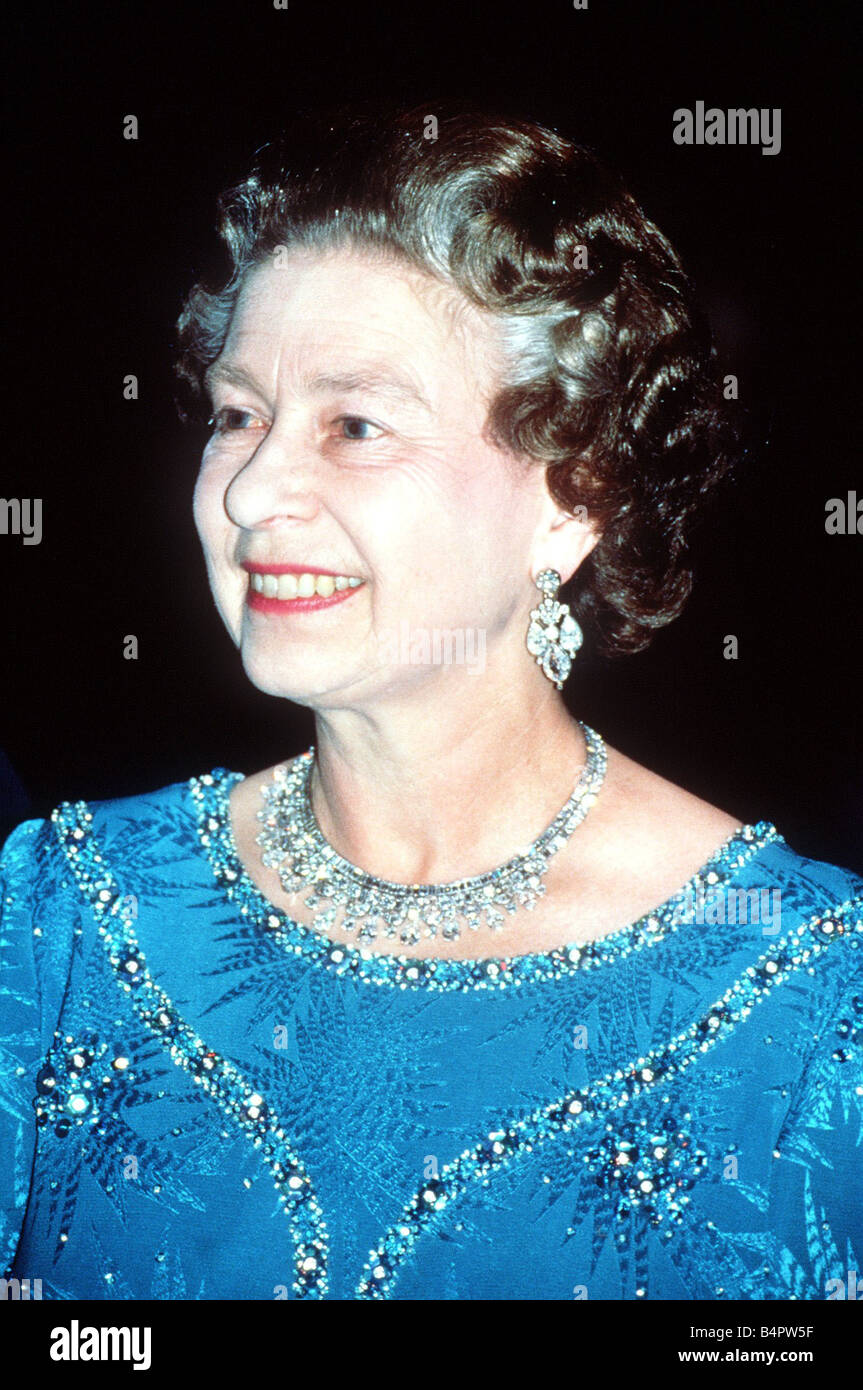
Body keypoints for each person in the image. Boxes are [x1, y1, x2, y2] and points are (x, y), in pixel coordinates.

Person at [1, 105, 860, 1301]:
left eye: (355, 425)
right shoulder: (59, 915)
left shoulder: (809, 995)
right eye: (240, 414)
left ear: (573, 495)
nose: (252, 492)